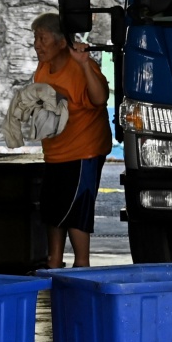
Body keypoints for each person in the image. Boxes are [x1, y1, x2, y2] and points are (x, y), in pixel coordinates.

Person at [30, 13, 111, 269]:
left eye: (42, 38)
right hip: (55, 153)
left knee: (76, 213)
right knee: (53, 210)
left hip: (83, 152)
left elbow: (99, 99)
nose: (37, 44)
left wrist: (86, 64)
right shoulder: (43, 69)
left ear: (61, 42)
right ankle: (54, 262)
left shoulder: (80, 68)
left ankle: (82, 265)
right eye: (35, 38)